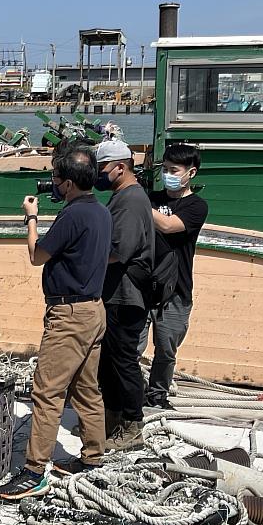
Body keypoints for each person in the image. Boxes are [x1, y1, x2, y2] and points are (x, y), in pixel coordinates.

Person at [0, 145, 112, 500]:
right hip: (94, 310)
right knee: (87, 388)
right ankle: (93, 456)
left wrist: (31, 217)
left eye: (57, 179)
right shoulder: (102, 213)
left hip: (69, 316)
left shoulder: (71, 216)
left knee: (46, 393)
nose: (54, 184)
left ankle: (33, 472)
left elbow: (36, 255)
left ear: (70, 184)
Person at [94, 140, 154, 452]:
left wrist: (85, 254)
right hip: (115, 293)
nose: (99, 176)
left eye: (102, 169)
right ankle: (112, 419)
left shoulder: (130, 200)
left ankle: (132, 424)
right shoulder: (122, 196)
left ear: (121, 167)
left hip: (126, 295)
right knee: (108, 361)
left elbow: (121, 249)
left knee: (123, 361)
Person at [139, 144, 208, 409]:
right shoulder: (152, 198)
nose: (168, 174)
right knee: (132, 348)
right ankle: (128, 396)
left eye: (173, 170)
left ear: (190, 172)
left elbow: (169, 226)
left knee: (166, 349)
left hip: (176, 290)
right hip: (143, 285)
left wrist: (137, 201)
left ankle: (158, 395)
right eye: (165, 169)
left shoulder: (196, 206)